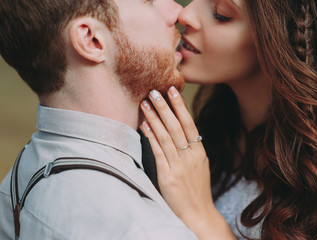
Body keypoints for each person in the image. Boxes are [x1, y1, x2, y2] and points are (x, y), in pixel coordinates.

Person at [140, 0, 317, 239]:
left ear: (281, 39)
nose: (185, 15)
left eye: (220, 14)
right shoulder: (218, 135)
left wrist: (202, 217)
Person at [0, 0, 198, 239]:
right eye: (149, 2)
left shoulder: (15, 184)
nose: (178, 11)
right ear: (91, 41)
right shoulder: (143, 229)